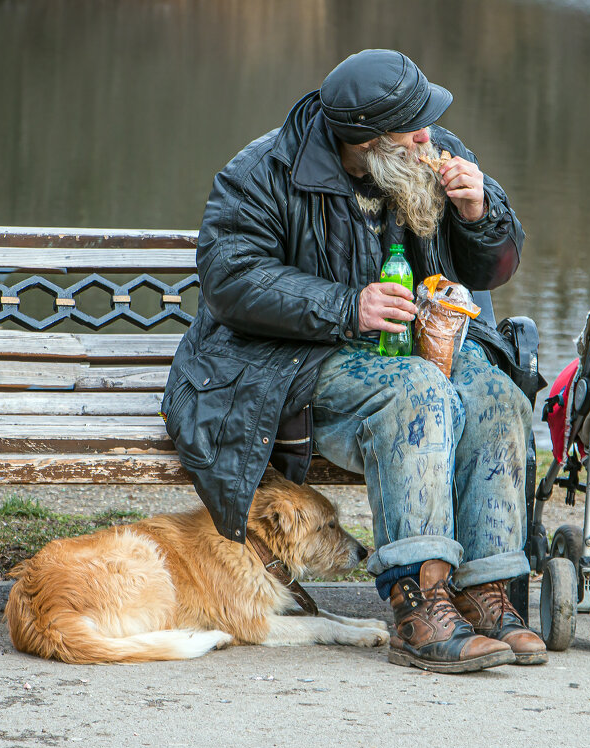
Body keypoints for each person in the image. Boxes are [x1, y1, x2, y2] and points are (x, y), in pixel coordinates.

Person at [162, 49, 545, 672]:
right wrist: (346, 305)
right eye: (412, 127)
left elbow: (494, 268)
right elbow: (230, 279)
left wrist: (481, 216)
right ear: (367, 141)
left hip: (415, 340)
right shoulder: (262, 171)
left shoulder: (434, 151)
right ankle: (419, 607)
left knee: (497, 393)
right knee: (417, 392)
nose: (430, 137)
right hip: (292, 362)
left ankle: (485, 594)